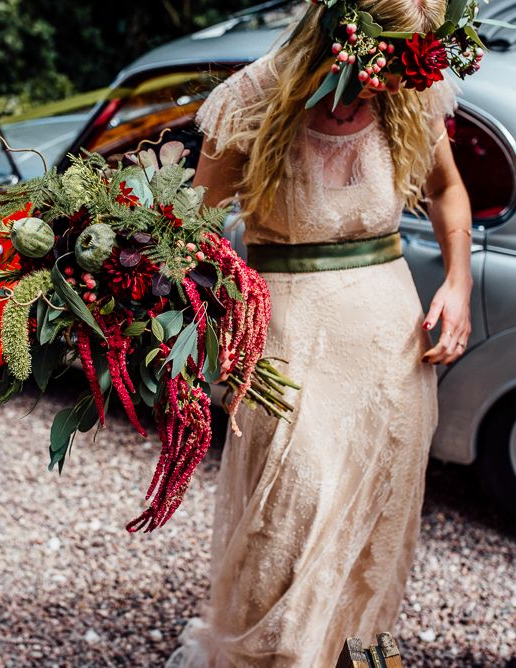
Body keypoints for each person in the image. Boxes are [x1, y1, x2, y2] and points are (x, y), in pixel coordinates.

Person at [165, 0, 474, 665]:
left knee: (377, 522)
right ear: (342, 35)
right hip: (291, 341)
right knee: (291, 516)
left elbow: (448, 188)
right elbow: (189, 229)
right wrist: (204, 308)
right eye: (387, 62)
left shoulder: (410, 91)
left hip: (391, 346)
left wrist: (458, 284)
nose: (396, 81)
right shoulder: (251, 98)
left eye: (408, 65)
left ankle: (350, 650)